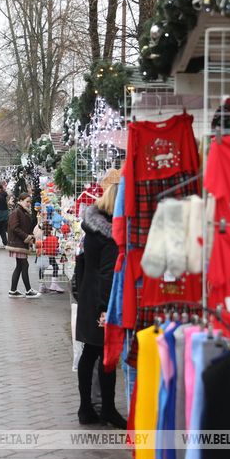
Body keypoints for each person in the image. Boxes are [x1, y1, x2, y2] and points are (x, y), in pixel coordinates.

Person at [74, 183, 126, 428]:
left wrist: (80, 292)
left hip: (87, 295)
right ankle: (106, 408)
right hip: (101, 301)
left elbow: (81, 263)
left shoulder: (90, 229)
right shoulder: (110, 235)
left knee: (89, 353)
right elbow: (108, 273)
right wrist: (105, 308)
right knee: (106, 356)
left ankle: (87, 407)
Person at [5, 193, 40, 298]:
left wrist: (29, 236)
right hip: (18, 243)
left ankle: (13, 290)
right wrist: (27, 237)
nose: (29, 204)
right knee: (24, 265)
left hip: (19, 243)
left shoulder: (22, 212)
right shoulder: (17, 212)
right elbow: (14, 228)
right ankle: (28, 290)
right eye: (27, 201)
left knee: (20, 266)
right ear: (20, 201)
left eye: (30, 202)